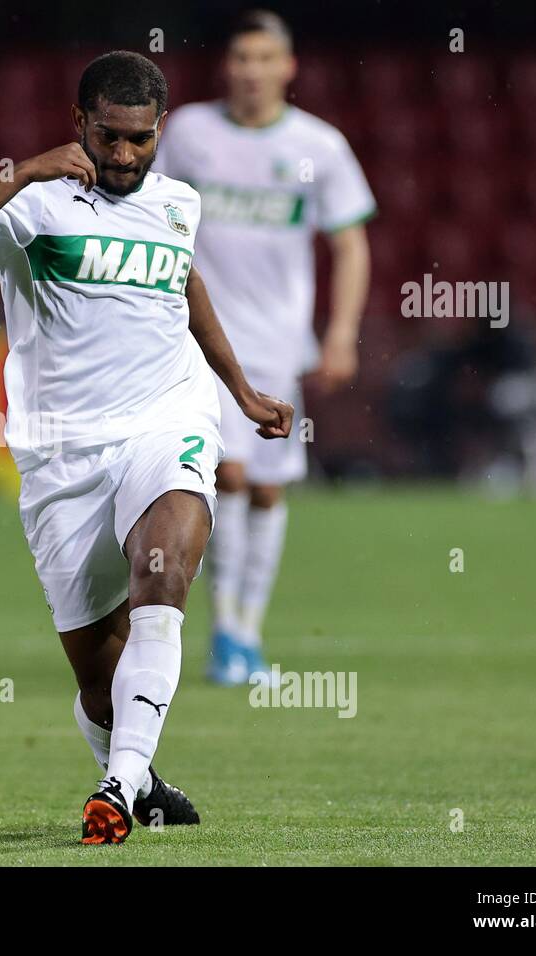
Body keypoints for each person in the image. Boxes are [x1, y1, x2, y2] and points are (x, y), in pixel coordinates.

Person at [0, 51, 292, 844]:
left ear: (158, 134)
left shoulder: (178, 202)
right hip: (62, 459)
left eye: (139, 141)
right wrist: (18, 176)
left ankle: (115, 789)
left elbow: (184, 286)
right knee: (100, 685)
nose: (123, 157)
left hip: (166, 422)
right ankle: (140, 777)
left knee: (166, 573)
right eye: (108, 138)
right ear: (78, 123)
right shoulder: (36, 206)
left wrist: (241, 391)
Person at [154, 9, 375, 685]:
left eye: (264, 58)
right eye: (241, 58)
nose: (251, 71)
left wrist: (340, 332)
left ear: (288, 66)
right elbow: (150, 211)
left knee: (271, 488)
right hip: (201, 335)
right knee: (228, 476)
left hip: (280, 339)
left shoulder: (322, 146)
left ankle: (248, 628)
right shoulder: (189, 132)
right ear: (228, 65)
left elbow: (350, 242)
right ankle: (225, 631)